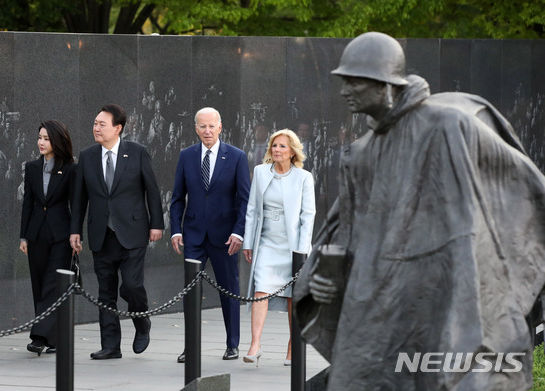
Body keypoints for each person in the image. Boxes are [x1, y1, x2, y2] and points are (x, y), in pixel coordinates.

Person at [294, 32, 545, 391]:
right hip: (373, 304)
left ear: (386, 84)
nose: (344, 90)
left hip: (441, 292)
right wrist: (326, 276)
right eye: (343, 80)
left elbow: (525, 191)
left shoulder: (448, 125)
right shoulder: (361, 153)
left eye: (355, 81)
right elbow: (347, 232)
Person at [70, 104, 164, 360]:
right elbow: (80, 198)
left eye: (102, 124)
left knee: (132, 286)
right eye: (95, 123)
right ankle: (110, 345)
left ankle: (141, 321)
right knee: (106, 292)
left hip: (133, 232)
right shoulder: (87, 156)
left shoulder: (137, 152)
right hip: (101, 234)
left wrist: (157, 223)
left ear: (118, 128)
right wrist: (74, 231)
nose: (96, 128)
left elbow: (152, 190)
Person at [170, 107, 250, 362]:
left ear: (220, 126)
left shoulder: (236, 157)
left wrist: (239, 232)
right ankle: (190, 347)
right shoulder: (186, 156)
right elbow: (176, 198)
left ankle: (232, 344)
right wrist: (175, 230)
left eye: (211, 126)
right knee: (190, 293)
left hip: (226, 237)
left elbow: (245, 199)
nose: (207, 131)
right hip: (193, 236)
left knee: (229, 290)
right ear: (196, 128)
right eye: (202, 126)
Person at [241, 129, 315, 367]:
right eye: (274, 145)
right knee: (260, 290)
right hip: (267, 244)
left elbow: (308, 215)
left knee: (294, 296)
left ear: (292, 151)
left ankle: (293, 346)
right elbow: (252, 209)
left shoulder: (304, 177)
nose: (276, 150)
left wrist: (301, 251)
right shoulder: (261, 172)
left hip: (293, 246)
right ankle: (255, 344)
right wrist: (249, 242)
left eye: (282, 146)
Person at [19, 119, 77, 356]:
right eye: (39, 137)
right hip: (36, 235)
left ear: (57, 140)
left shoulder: (70, 168)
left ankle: (39, 336)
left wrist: (76, 234)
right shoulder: (32, 167)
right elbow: (28, 204)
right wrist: (23, 236)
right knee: (40, 285)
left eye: (46, 138)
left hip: (61, 236)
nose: (41, 142)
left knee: (53, 285)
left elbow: (76, 203)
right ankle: (52, 338)